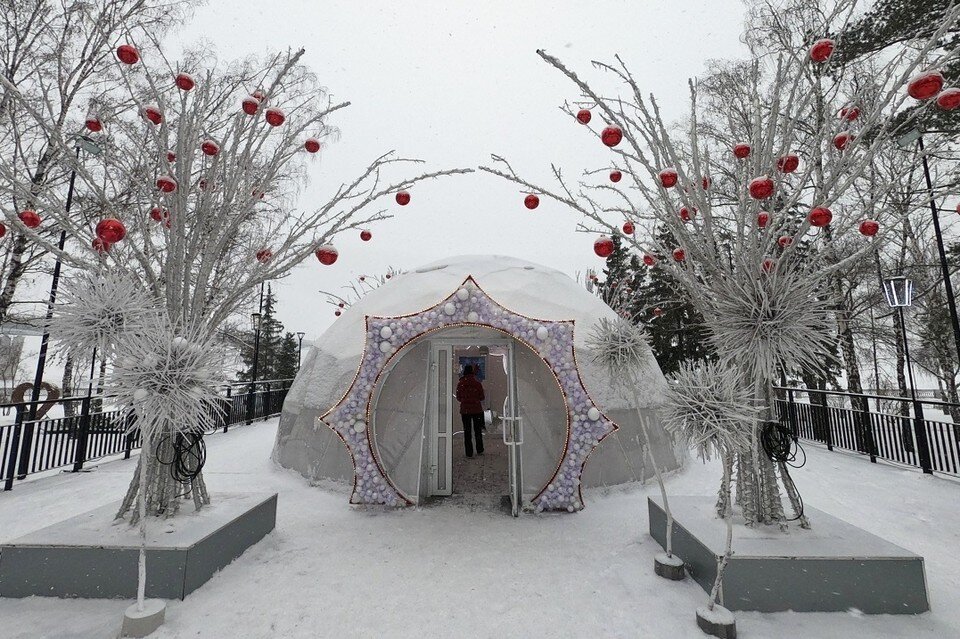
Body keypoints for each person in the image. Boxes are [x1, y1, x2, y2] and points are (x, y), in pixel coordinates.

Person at [456, 364, 485, 458]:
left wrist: (465, 400)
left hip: (465, 410)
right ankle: (479, 449)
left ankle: (469, 452)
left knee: (467, 432)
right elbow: (482, 397)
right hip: (477, 409)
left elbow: (458, 397)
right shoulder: (477, 383)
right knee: (477, 431)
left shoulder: (461, 383)